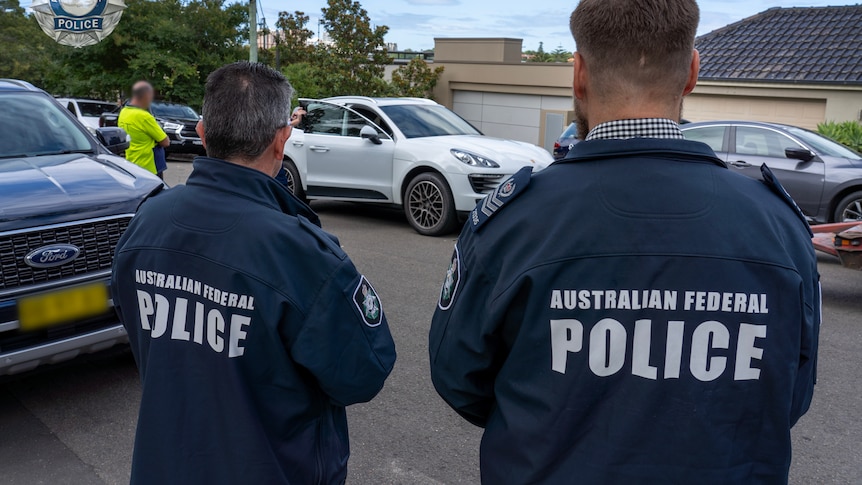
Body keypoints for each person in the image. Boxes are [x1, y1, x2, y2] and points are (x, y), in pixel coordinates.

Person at [429, 0, 820, 483]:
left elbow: (459, 379)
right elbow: (791, 391)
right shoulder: (779, 226)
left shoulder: (514, 222)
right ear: (692, 71)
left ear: (578, 74)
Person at [112, 62, 396, 484]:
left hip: (164, 465)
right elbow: (362, 374)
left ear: (204, 133)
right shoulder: (301, 253)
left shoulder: (147, 220)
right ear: (282, 141)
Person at [117, 81, 170, 178]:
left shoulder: (124, 112)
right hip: (149, 165)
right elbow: (165, 142)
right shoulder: (144, 116)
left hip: (132, 161)